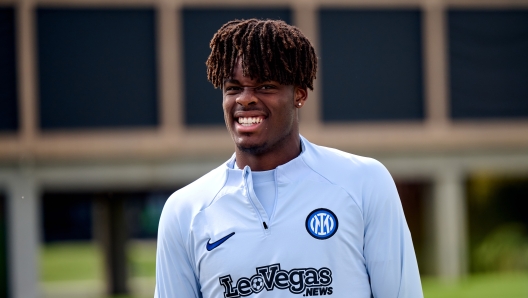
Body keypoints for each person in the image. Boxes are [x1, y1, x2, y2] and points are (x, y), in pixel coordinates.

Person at [155, 19, 423, 298]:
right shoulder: (185, 211)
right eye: (233, 88)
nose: (245, 99)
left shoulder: (364, 182)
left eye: (265, 86)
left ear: (299, 95)